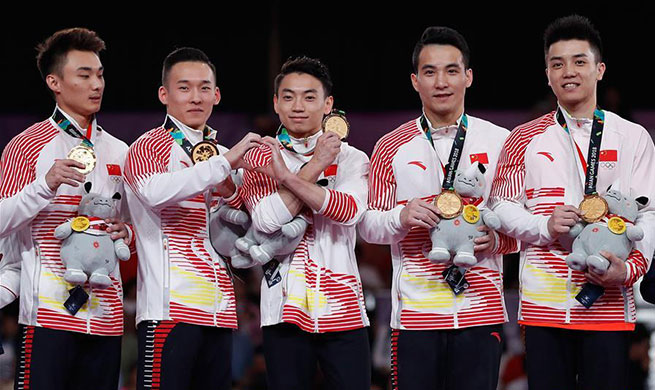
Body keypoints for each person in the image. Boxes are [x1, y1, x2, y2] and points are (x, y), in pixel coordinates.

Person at [488, 15, 655, 390]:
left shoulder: (633, 137)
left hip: (609, 302)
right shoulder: (523, 138)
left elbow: (650, 212)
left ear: (599, 69)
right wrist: (543, 226)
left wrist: (627, 271)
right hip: (544, 305)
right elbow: (500, 205)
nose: (569, 72)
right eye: (557, 63)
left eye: (579, 61)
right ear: (547, 74)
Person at [358, 26, 517, 390]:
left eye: (451, 70)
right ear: (416, 81)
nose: (441, 81)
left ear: (468, 77)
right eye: (430, 72)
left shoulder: (501, 141)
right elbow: (368, 225)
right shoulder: (390, 146)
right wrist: (401, 217)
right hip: (415, 314)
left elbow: (520, 231)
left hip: (481, 310)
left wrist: (494, 241)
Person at [0, 28, 133, 390]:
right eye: (85, 75)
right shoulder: (25, 145)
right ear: (54, 82)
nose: (97, 84)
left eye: (101, 74)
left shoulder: (121, 151)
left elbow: (130, 223)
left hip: (105, 316)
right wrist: (45, 185)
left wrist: (129, 233)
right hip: (47, 313)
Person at [123, 47, 260, 390]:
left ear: (216, 94)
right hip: (169, 310)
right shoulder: (148, 145)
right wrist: (225, 164)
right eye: (184, 88)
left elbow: (244, 225)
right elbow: (154, 193)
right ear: (164, 94)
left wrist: (234, 189)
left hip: (219, 309)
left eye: (204, 88)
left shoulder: (222, 153)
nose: (195, 97)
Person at [239, 56, 371, 390]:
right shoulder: (258, 156)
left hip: (344, 309)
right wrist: (315, 167)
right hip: (282, 308)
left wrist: (286, 179)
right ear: (276, 103)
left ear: (328, 104)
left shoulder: (353, 158)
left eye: (310, 97)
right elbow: (266, 219)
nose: (298, 106)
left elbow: (349, 210)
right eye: (288, 96)